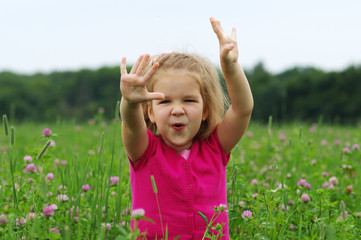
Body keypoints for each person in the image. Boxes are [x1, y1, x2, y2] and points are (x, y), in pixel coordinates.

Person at [120, 17, 253, 239]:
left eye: (189, 100)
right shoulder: (144, 151)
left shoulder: (215, 147)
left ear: (205, 110)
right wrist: (130, 101)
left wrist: (231, 67)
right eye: (165, 101)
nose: (177, 110)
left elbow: (242, 109)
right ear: (150, 112)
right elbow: (132, 126)